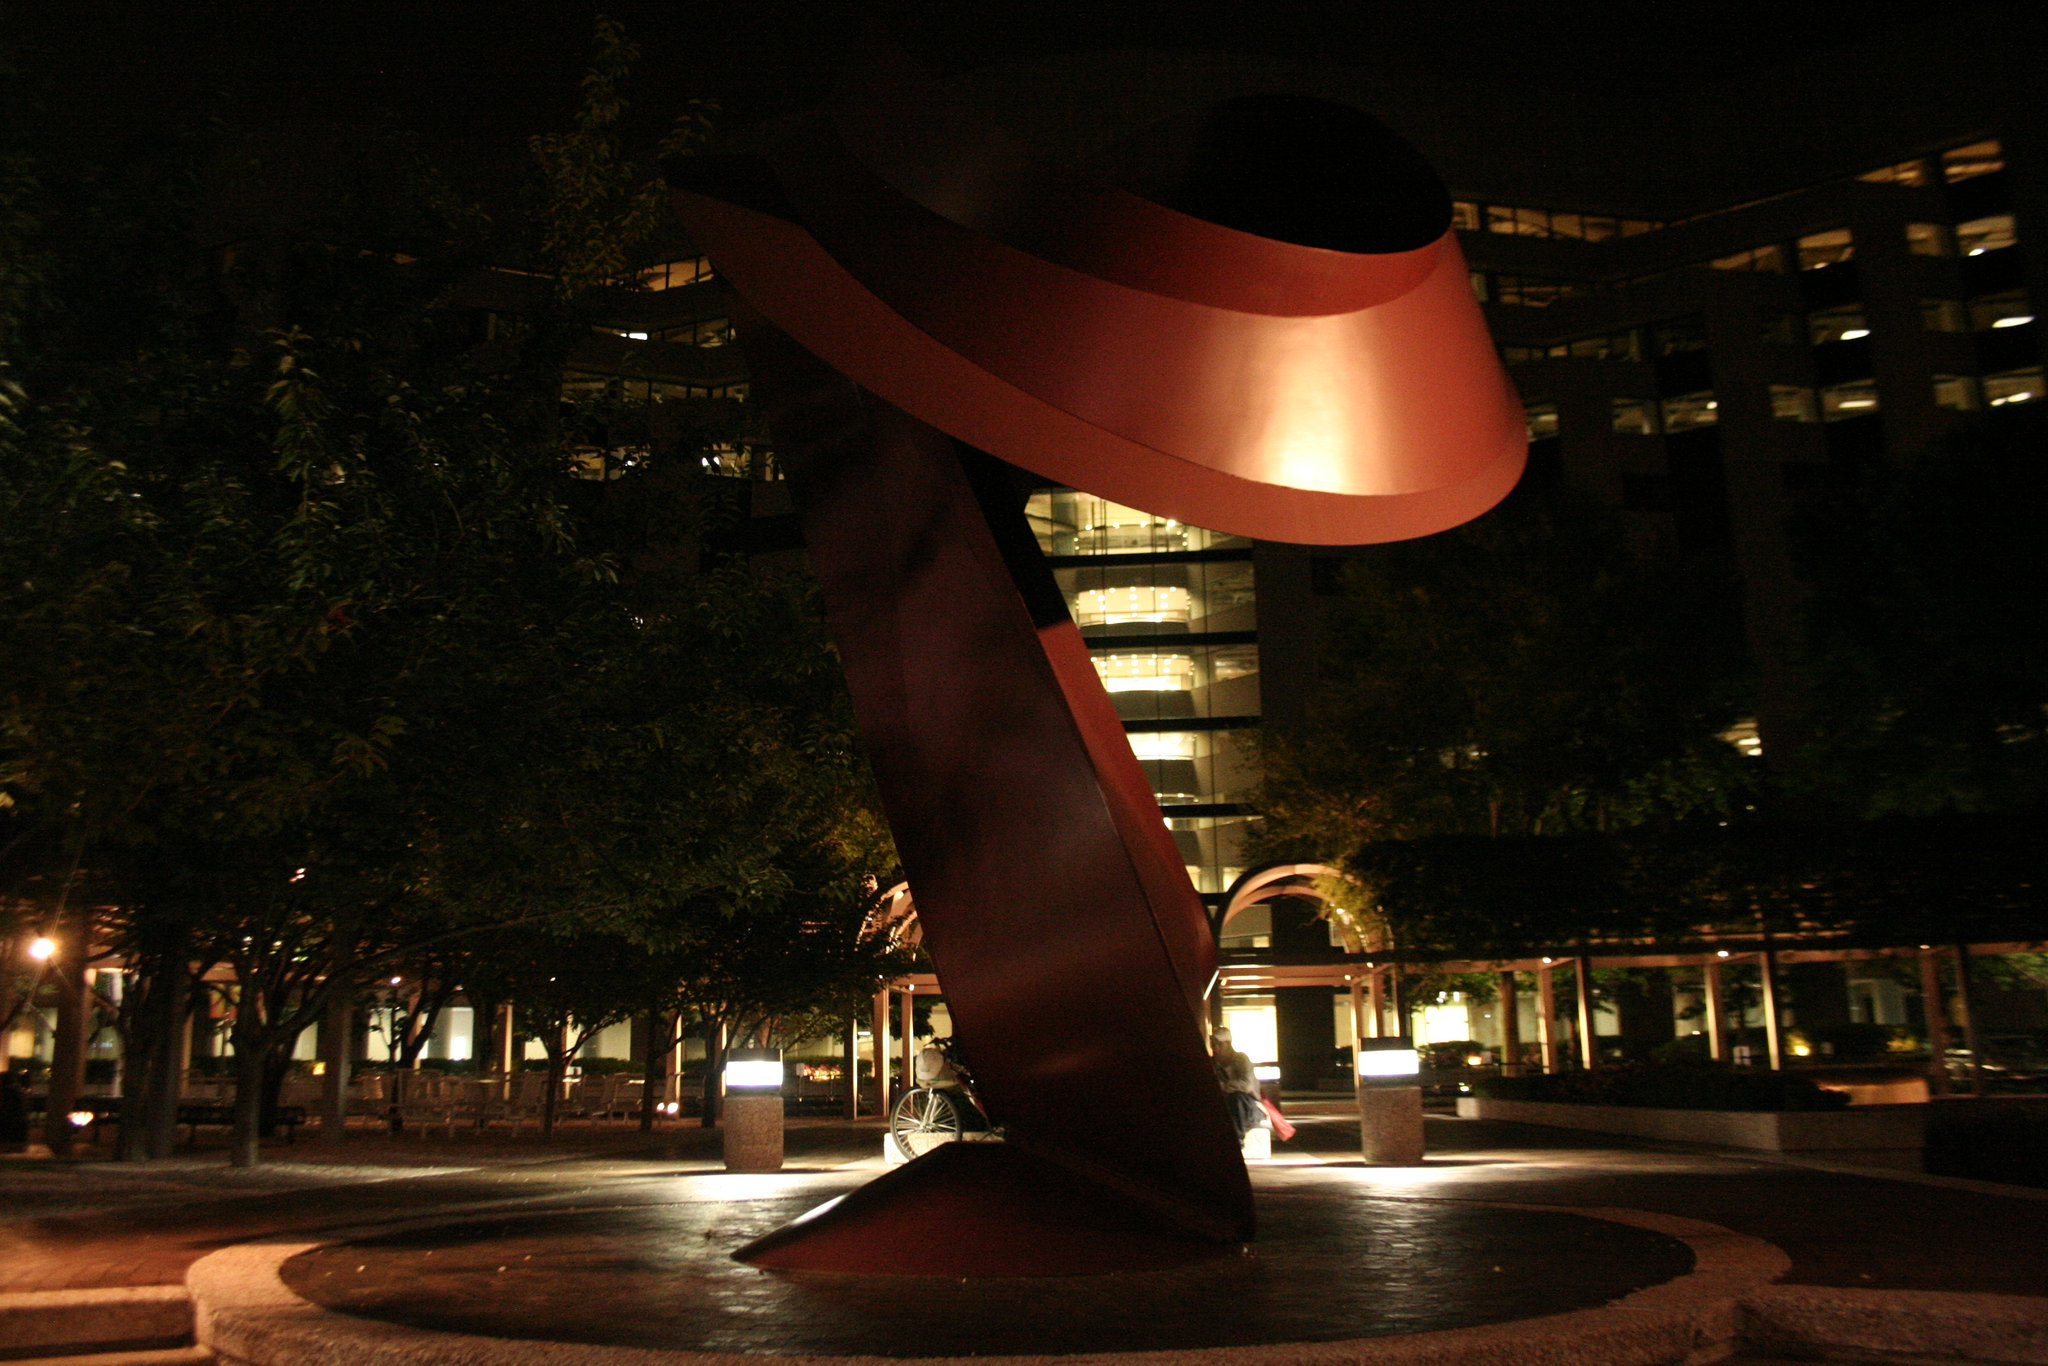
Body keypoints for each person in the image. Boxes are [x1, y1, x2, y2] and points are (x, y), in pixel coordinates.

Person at [1210, 1027, 1265, 1141]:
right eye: (1213, 1045)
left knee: (1237, 1098)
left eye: (1219, 1044)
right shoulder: (1215, 1063)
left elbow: (1246, 1085)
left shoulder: (1241, 1059)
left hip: (1248, 1105)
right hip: (1228, 1101)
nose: (1216, 1048)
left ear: (1228, 1044)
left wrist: (1225, 1086)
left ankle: (1238, 1138)